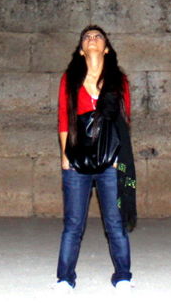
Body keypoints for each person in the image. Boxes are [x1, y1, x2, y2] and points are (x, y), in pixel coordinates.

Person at [53, 25, 136, 292]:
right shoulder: (69, 80)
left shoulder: (119, 81)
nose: (92, 39)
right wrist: (65, 155)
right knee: (73, 223)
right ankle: (65, 278)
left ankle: (123, 276)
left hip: (109, 159)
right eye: (87, 37)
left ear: (106, 48)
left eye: (98, 36)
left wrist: (119, 156)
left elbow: (124, 120)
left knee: (115, 222)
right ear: (80, 49)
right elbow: (63, 118)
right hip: (77, 157)